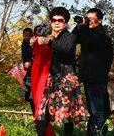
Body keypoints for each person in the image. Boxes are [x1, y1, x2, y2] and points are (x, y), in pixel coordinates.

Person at [34, 7, 85, 136]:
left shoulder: (71, 37)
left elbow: (66, 49)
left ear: (66, 23)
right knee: (42, 111)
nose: (56, 23)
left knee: (67, 114)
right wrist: (34, 43)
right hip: (50, 79)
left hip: (66, 79)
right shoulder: (48, 36)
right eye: (53, 20)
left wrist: (48, 42)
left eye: (60, 20)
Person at [73, 8, 114, 136]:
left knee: (98, 110)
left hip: (97, 77)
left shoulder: (101, 35)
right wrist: (79, 25)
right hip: (89, 77)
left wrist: (83, 27)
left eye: (91, 19)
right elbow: (73, 39)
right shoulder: (86, 32)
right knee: (93, 110)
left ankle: (100, 132)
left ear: (100, 20)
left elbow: (92, 40)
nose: (88, 22)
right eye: (87, 18)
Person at [30, 24, 55, 136]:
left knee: (41, 109)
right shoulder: (40, 45)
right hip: (39, 78)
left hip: (43, 79)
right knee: (40, 109)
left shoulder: (48, 45)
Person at [22, 27, 35, 113]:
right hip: (30, 72)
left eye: (29, 36)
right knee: (30, 97)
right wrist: (26, 62)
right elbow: (24, 57)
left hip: (34, 70)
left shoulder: (34, 45)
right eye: (25, 35)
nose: (27, 37)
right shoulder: (24, 45)